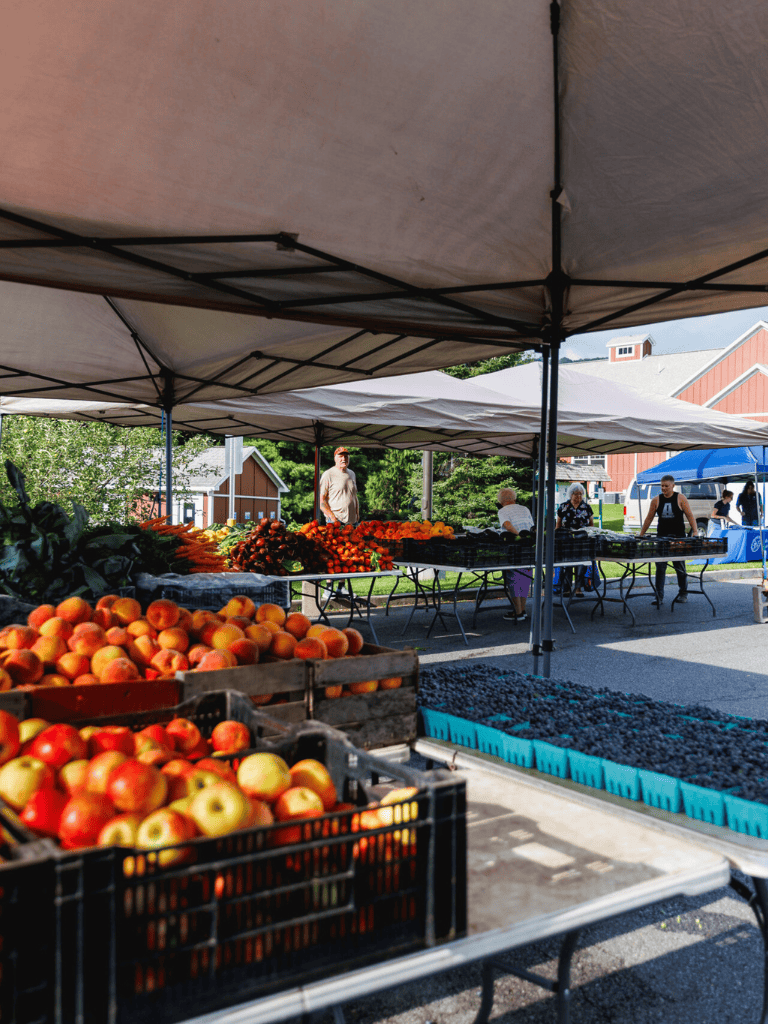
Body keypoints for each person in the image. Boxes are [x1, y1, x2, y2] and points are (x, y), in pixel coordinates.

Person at [638, 474, 698, 607]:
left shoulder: (680, 498)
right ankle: (659, 596)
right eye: (662, 486)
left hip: (678, 538)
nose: (663, 488)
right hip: (662, 538)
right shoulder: (656, 500)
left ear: (673, 486)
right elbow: (648, 518)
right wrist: (641, 534)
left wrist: (695, 531)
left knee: (680, 567)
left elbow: (689, 515)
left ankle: (683, 593)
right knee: (660, 567)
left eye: (666, 486)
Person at [497, 487, 533, 622]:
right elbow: (531, 526)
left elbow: (506, 524)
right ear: (515, 499)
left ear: (501, 502)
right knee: (525, 577)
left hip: (514, 547)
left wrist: (518, 535)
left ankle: (517, 613)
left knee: (513, 578)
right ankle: (523, 610)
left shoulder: (502, 511)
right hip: (529, 547)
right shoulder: (525, 509)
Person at [555, 483, 594, 597]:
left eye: (581, 494)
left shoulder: (586, 507)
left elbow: (591, 524)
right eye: (576, 494)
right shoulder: (563, 506)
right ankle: (567, 588)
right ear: (570, 494)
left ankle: (578, 588)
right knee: (567, 564)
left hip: (582, 541)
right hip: (566, 540)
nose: (578, 497)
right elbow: (558, 524)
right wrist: (556, 537)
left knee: (581, 564)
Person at [319, 447, 359, 525]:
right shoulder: (328, 474)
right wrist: (333, 518)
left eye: (346, 456)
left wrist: (357, 514)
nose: (344, 459)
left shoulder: (352, 474)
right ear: (335, 458)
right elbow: (321, 501)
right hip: (336, 522)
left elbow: (354, 496)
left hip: (353, 522)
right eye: (340, 456)